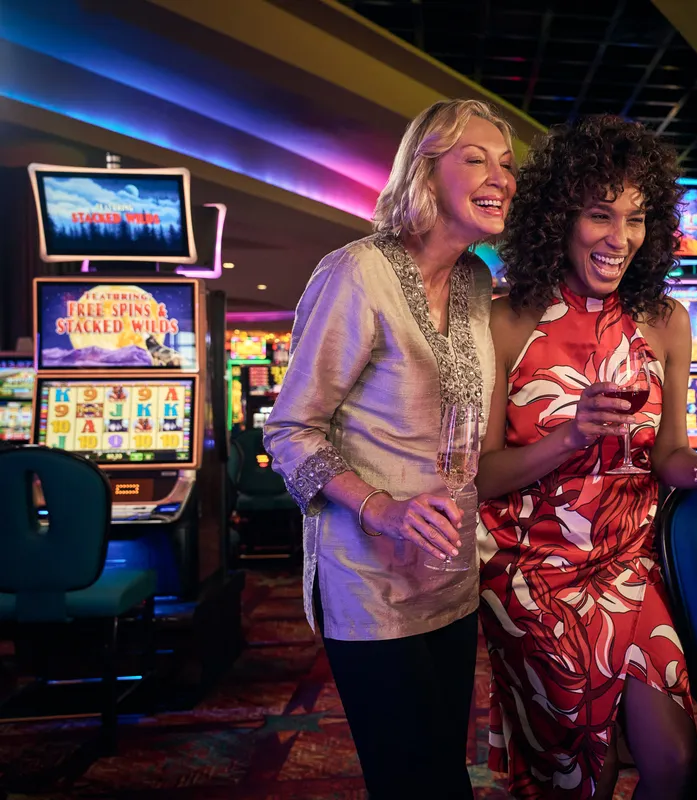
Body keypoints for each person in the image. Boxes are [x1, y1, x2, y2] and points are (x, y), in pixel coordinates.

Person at [475, 115, 697, 800]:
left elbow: (668, 453)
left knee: (675, 763)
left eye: (635, 219)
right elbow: (481, 475)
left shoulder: (666, 321)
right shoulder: (503, 318)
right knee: (580, 778)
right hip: (531, 577)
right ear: (558, 216)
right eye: (601, 215)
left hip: (632, 565)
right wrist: (570, 437)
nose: (619, 238)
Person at [263, 99, 516, 799]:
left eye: (507, 164)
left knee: (445, 776)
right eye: (477, 159)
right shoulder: (357, 272)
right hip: (371, 584)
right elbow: (289, 431)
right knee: (413, 784)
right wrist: (381, 508)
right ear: (426, 171)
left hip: (450, 575)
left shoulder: (475, 282)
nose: (502, 176)